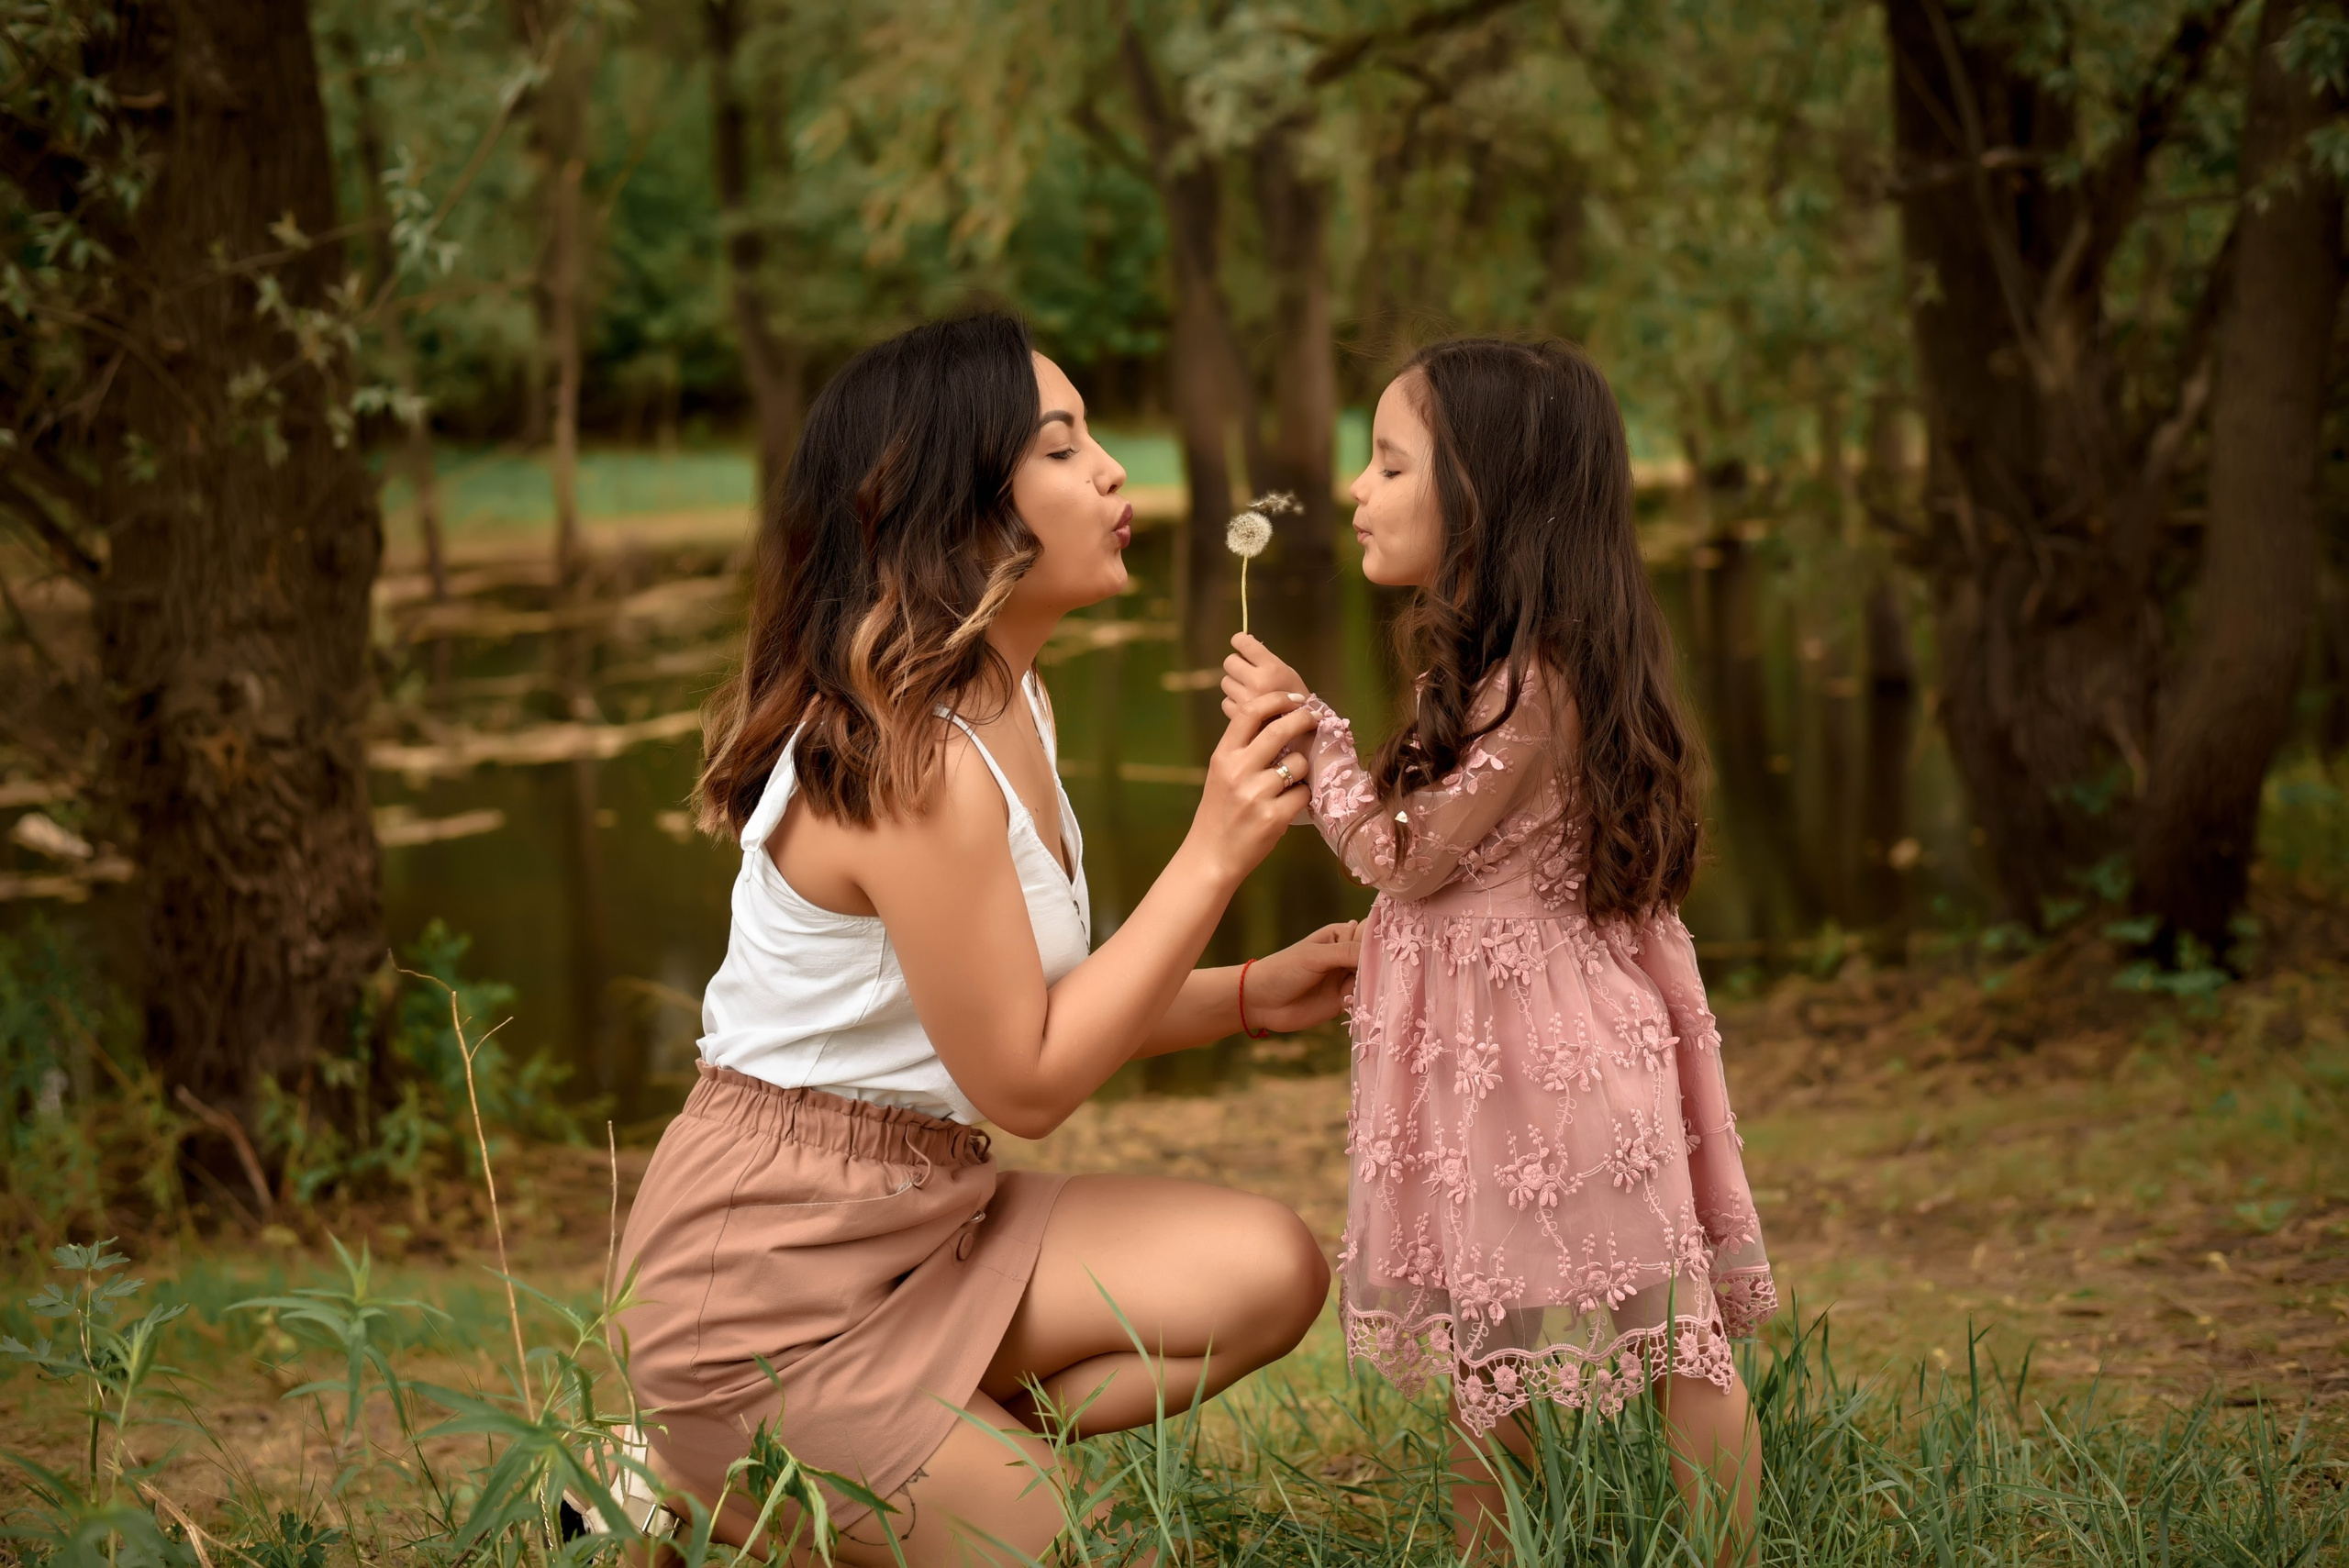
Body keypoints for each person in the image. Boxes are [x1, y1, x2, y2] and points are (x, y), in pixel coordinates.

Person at [612, 312, 1359, 1566]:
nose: (1113, 470)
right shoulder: (907, 758)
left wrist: (1239, 996)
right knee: (1063, 1548)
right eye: (1063, 450)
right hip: (766, 1283)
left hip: (928, 1217)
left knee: (1271, 1270)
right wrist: (1215, 851)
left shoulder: (1012, 702)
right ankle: (700, 1474)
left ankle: (884, 1468)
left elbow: (1030, 1002)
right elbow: (1025, 1079)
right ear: (955, 508)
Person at [1222, 337, 1776, 1562]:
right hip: (1486, 1071)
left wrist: (1311, 737)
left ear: (1486, 499)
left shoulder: (1535, 687)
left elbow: (1401, 853)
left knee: (1674, 1329)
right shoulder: (1504, 675)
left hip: (1559, 1069)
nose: (1357, 490)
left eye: (1387, 463)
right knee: (1488, 1345)